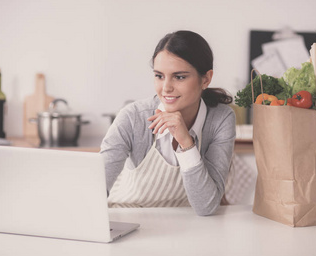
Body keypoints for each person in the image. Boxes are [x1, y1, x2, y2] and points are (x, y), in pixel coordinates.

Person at [100, 30, 236, 216]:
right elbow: (95, 189)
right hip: (128, 217)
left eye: (179, 77)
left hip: (186, 226)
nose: (166, 88)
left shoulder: (220, 119)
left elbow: (206, 206)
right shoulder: (133, 117)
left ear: (206, 79)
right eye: (159, 76)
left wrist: (186, 142)